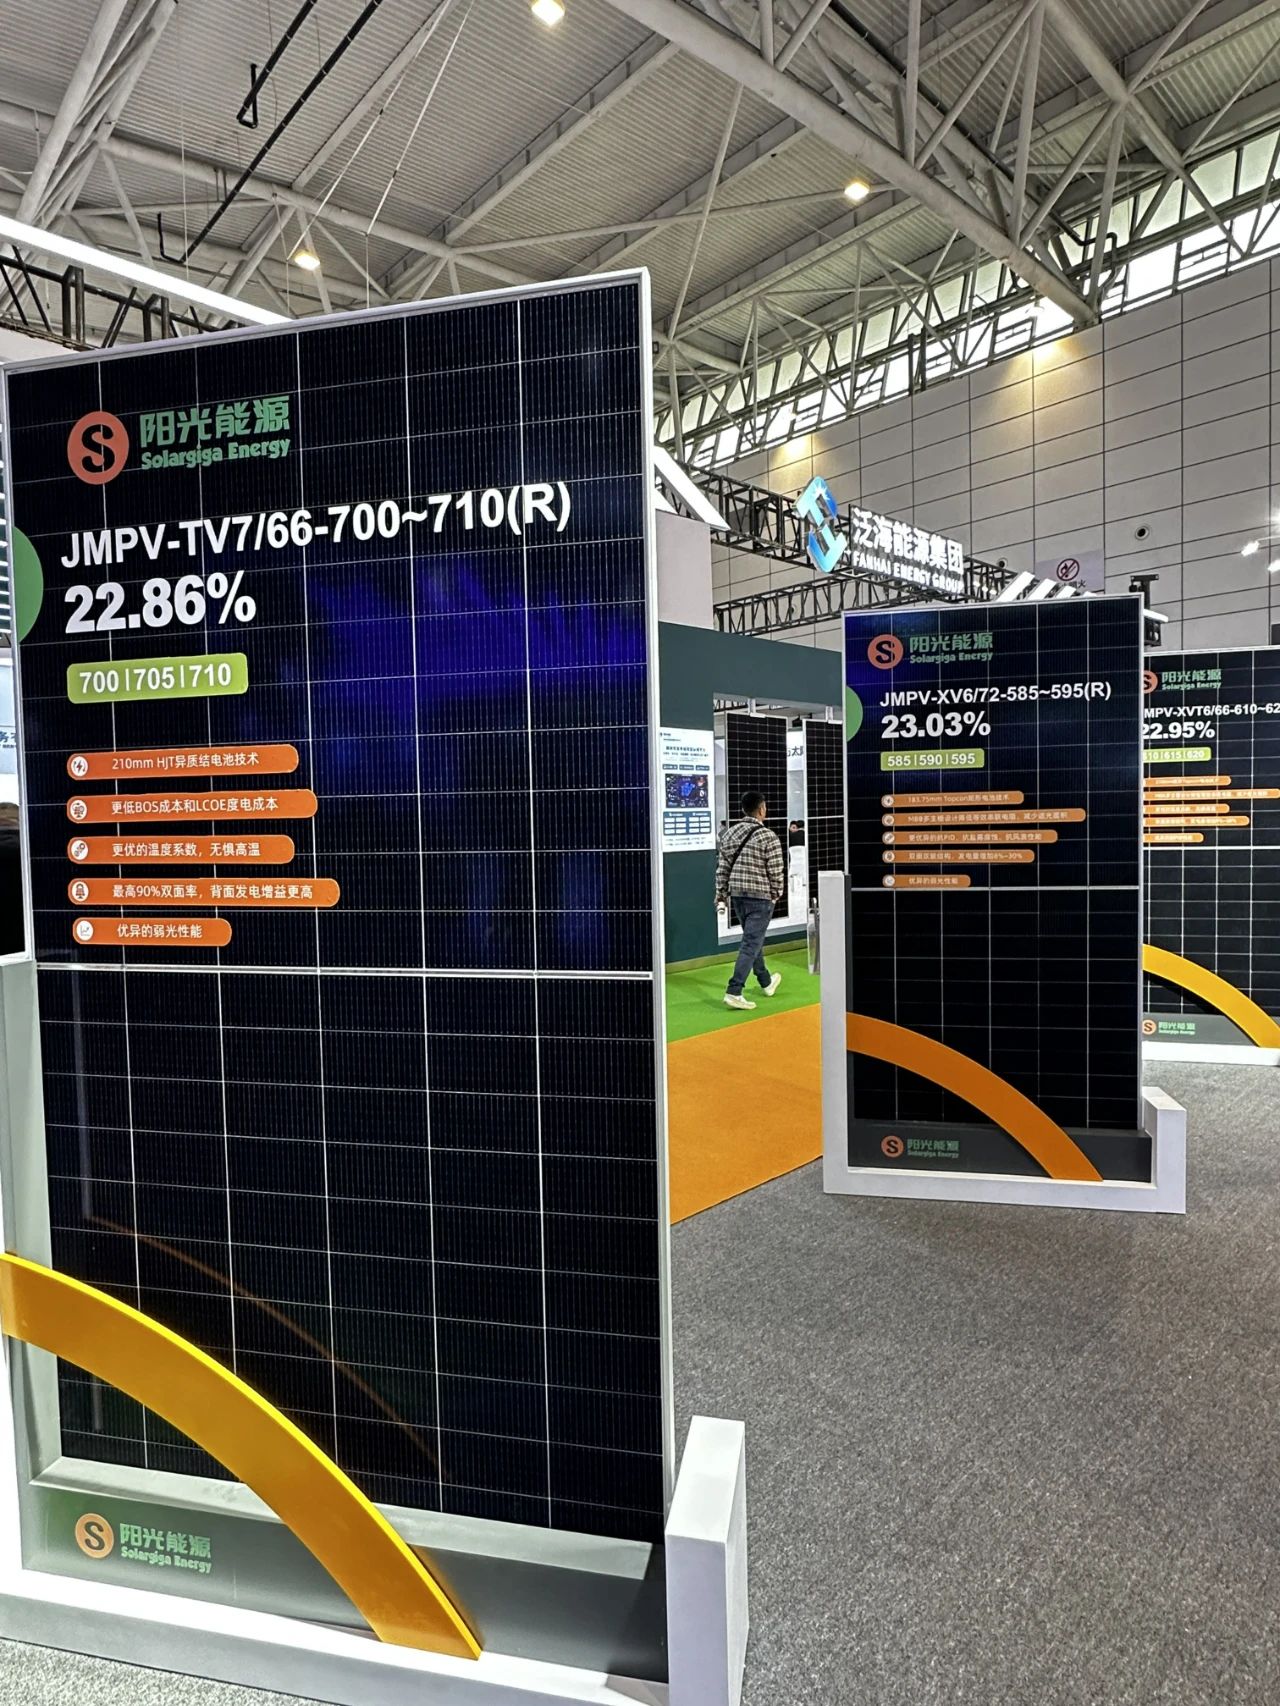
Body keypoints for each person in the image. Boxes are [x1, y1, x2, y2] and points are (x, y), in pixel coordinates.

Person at [715, 790, 785, 1011]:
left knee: (753, 940)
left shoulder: (729, 834)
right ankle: (734, 991)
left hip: (737, 895)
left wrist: (721, 894)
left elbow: (722, 868)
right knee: (750, 943)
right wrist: (776, 893)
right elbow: (776, 870)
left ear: (743, 809)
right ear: (762, 809)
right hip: (761, 897)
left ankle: (765, 981)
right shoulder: (768, 836)